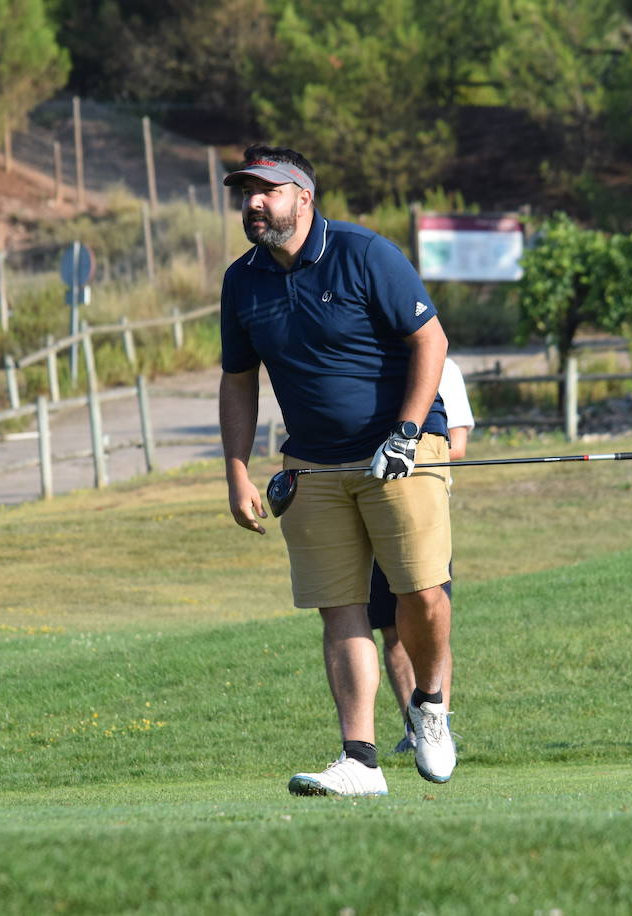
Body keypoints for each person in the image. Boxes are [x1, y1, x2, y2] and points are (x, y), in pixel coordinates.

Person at [218, 145, 456, 798]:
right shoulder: (242, 280)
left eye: (266, 190)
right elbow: (239, 380)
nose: (253, 202)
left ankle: (430, 706)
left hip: (400, 452)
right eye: (246, 193)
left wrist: (408, 431)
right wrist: (237, 472)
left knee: (423, 595)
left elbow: (429, 340)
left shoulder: (364, 253)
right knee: (340, 609)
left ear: (304, 197)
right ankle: (361, 760)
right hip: (314, 464)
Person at [369, 357, 473, 753]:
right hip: (371, 503)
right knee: (390, 629)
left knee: (429, 617)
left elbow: (457, 443)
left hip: (422, 504)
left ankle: (438, 724)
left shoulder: (444, 367)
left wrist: (403, 449)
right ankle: (414, 733)